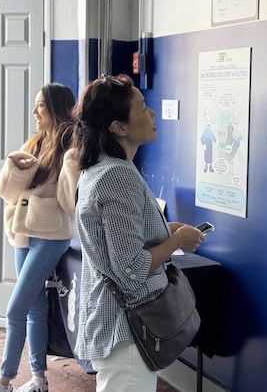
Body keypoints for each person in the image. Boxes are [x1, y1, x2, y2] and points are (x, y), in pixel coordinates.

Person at [72, 74, 205, 392]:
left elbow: (120, 242)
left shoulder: (104, 168)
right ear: (118, 127)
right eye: (143, 108)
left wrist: (164, 230)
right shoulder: (117, 176)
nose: (153, 114)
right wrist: (176, 242)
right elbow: (131, 269)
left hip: (118, 327)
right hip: (126, 331)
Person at [0, 83, 79, 392]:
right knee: (35, 307)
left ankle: (4, 380)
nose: (34, 111)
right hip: (24, 233)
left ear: (56, 108)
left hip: (51, 235)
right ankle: (39, 379)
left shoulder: (71, 146)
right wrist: (15, 168)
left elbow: (70, 203)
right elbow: (8, 193)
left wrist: (71, 161)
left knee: (16, 309)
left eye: (40, 106)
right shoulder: (35, 142)